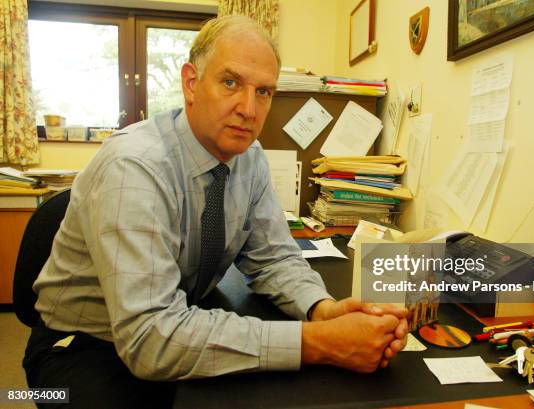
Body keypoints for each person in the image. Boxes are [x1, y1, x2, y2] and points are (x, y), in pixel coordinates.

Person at [23, 15, 409, 409]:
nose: (249, 108)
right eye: (230, 83)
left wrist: (321, 310)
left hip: (178, 310)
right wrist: (319, 343)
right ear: (191, 83)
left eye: (264, 91)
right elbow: (149, 339)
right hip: (84, 344)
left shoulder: (249, 157)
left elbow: (273, 256)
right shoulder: (134, 167)